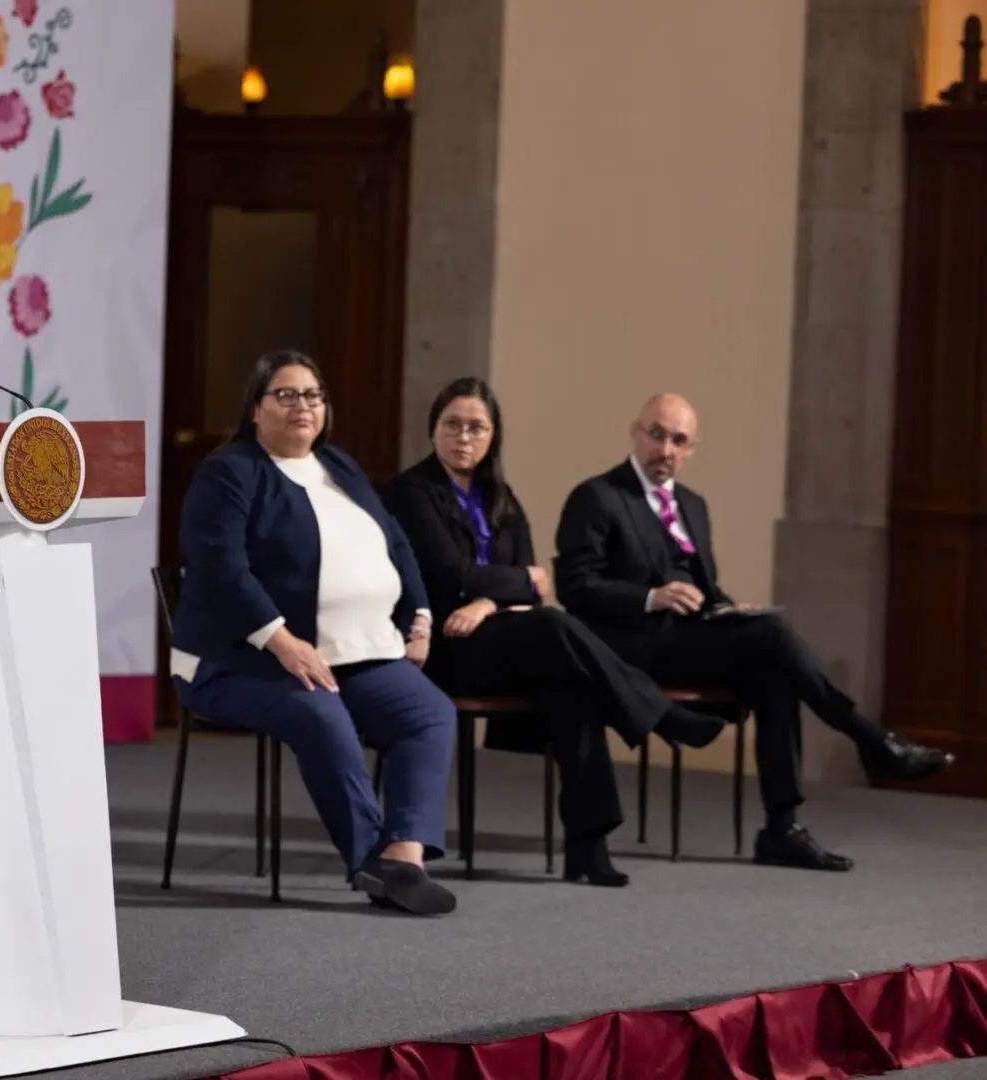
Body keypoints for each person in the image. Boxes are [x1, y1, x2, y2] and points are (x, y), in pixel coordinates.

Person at [552, 392, 955, 872]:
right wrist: (649, 597)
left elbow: (705, 588)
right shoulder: (597, 497)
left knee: (774, 672)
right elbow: (575, 588)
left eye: (679, 440)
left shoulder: (693, 506)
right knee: (772, 637)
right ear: (634, 432)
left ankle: (782, 828)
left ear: (692, 448)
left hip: (691, 639)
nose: (666, 450)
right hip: (631, 646)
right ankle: (871, 739)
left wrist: (727, 609)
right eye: (656, 434)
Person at [385, 377, 727, 886]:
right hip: (442, 648)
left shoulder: (498, 494)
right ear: (433, 429)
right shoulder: (410, 492)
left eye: (476, 427)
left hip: (502, 640)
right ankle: (658, 714)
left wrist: (486, 599)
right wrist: (508, 586)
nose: (463, 437)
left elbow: (531, 583)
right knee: (554, 627)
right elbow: (449, 574)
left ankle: (588, 846)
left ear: (492, 435)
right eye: (452, 425)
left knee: (572, 685)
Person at [168, 349, 459, 916]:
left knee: (427, 713)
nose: (302, 405)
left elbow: (396, 544)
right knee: (321, 714)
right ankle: (370, 858)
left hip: (350, 655)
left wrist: (419, 616)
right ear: (256, 409)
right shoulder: (230, 472)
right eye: (286, 394)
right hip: (235, 661)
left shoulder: (340, 467)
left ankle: (404, 856)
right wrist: (278, 637)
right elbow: (219, 565)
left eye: (313, 395)